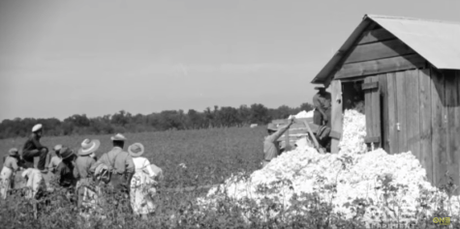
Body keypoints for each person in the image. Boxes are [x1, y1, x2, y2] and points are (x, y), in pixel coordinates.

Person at [90, 133, 134, 197]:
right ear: (122, 144)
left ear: (113, 143)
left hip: (107, 184)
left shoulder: (105, 155)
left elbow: (92, 169)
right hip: (121, 183)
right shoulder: (126, 155)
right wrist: (127, 182)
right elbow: (131, 169)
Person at [128, 143, 158, 218]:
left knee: (135, 200)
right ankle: (148, 220)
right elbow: (151, 173)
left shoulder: (130, 160)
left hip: (134, 180)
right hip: (144, 180)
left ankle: (136, 220)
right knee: (146, 200)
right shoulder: (144, 160)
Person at [74, 139, 99, 210]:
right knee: (92, 205)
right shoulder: (91, 160)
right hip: (90, 183)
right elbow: (96, 174)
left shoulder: (77, 159)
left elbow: (75, 174)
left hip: (80, 183)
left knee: (80, 204)